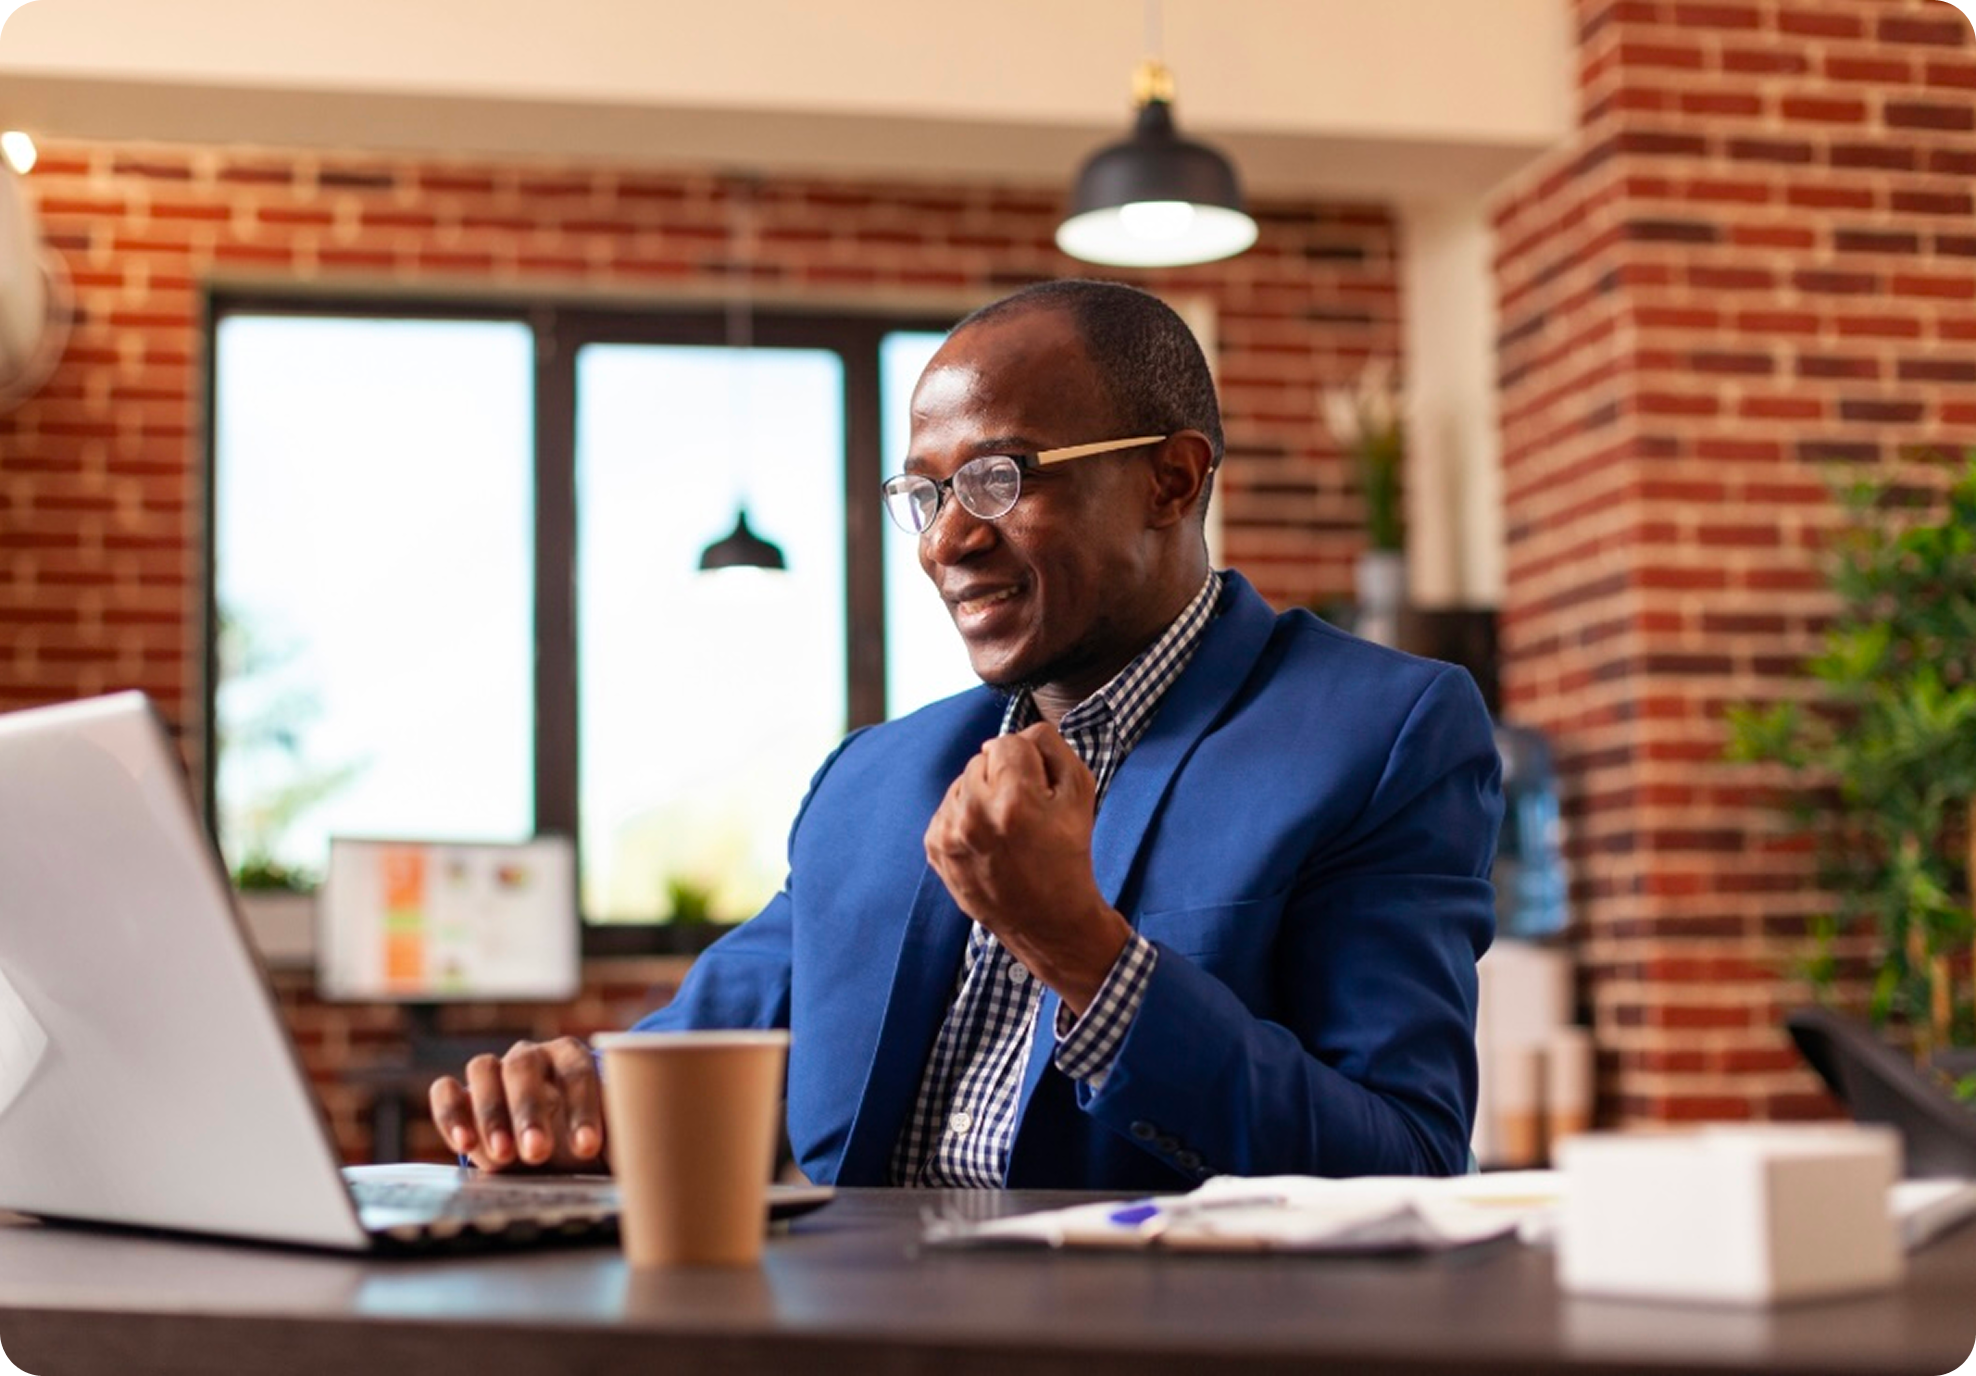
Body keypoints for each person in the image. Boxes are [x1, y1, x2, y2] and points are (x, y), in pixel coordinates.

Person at [430, 279, 1502, 1190]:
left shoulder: (1380, 731)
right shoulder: (872, 777)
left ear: (1169, 480)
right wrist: (572, 1088)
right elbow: (699, 1044)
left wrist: (1082, 951)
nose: (948, 537)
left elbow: (1402, 1164)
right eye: (926, 492)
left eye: (999, 478)